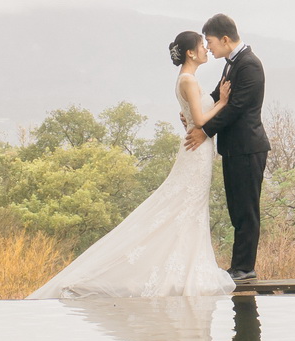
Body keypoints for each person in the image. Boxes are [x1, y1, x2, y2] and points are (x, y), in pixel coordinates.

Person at [27, 31, 237, 299]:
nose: (206, 49)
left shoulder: (189, 79)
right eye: (202, 46)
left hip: (198, 152)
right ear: (191, 53)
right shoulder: (187, 80)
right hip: (195, 152)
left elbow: (191, 117)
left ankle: (186, 265)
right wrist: (222, 102)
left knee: (190, 208)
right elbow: (199, 118)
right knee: (182, 206)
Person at [188, 14, 270, 283]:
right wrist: (193, 113)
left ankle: (244, 268)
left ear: (224, 39)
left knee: (246, 209)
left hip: (248, 147)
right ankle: (237, 266)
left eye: (210, 42)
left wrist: (204, 131)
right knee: (236, 208)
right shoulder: (231, 64)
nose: (208, 47)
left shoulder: (249, 65)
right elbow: (216, 97)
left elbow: (236, 107)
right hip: (234, 148)